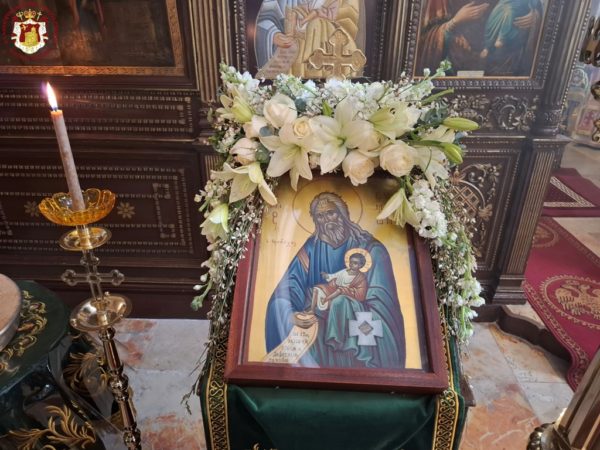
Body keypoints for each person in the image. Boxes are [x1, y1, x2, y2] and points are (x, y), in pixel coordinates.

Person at [265, 192, 406, 369]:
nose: (326, 220)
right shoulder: (310, 249)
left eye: (331, 213)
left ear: (343, 214)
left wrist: (347, 305)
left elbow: (383, 305)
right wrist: (290, 316)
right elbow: (287, 290)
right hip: (317, 338)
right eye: (320, 216)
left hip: (355, 332)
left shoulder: (371, 249)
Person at [254, 0, 364, 77]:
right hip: (289, 58)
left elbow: (348, 20)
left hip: (328, 45)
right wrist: (274, 34)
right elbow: (266, 17)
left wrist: (319, 18)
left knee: (315, 25)